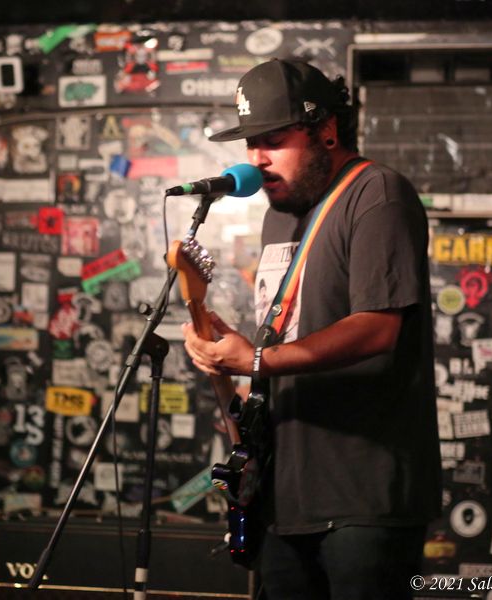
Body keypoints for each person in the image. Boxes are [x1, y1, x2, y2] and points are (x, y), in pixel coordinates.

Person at [181, 59, 441, 600]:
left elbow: (377, 329)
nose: (257, 159)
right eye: (251, 143)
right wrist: (226, 354)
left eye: (273, 140)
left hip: (364, 497)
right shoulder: (278, 214)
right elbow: (288, 336)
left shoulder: (377, 193)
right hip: (285, 495)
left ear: (326, 130)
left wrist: (257, 359)